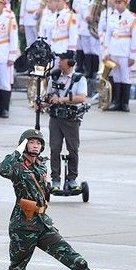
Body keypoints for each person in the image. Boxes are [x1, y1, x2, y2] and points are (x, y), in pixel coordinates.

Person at [0, 129, 112, 270]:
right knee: (17, 267)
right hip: (23, 226)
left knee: (64, 249)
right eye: (31, 142)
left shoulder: (41, 167)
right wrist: (17, 151)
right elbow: (1, 168)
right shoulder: (15, 166)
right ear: (24, 145)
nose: (36, 145)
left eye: (38, 143)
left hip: (41, 221)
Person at [44, 52, 88, 191]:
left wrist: (61, 100)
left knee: (73, 149)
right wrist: (43, 103)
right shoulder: (54, 77)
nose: (59, 62)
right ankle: (55, 178)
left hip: (71, 119)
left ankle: (72, 178)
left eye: (62, 59)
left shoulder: (79, 79)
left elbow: (81, 98)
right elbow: (49, 96)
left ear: (70, 62)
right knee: (54, 148)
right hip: (56, 118)